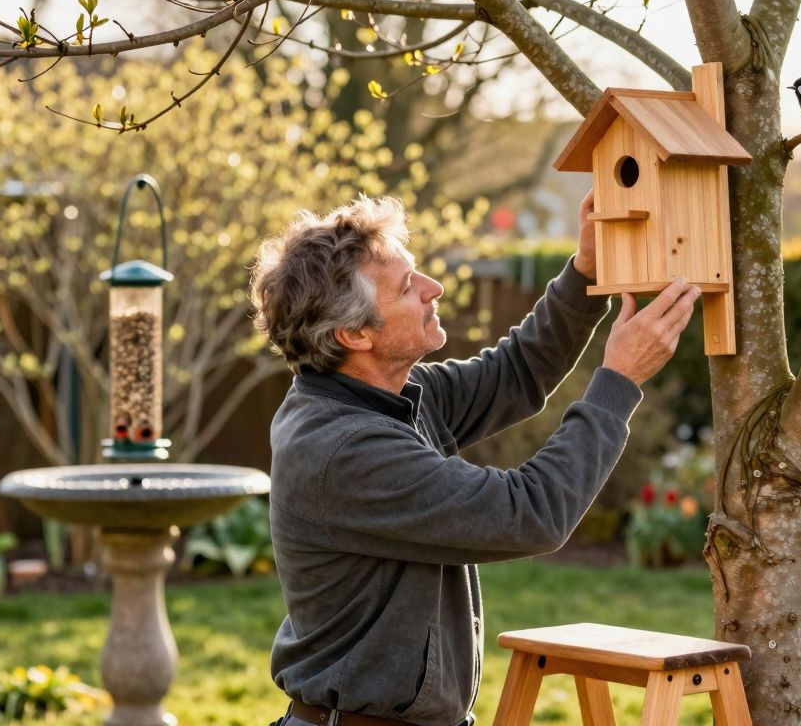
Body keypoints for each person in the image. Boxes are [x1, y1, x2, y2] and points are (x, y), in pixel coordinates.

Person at [249, 192, 701, 726]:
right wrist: (619, 382)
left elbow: (517, 374)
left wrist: (585, 270)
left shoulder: (392, 395)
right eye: (407, 287)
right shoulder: (345, 450)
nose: (432, 288)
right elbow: (530, 514)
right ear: (354, 333)